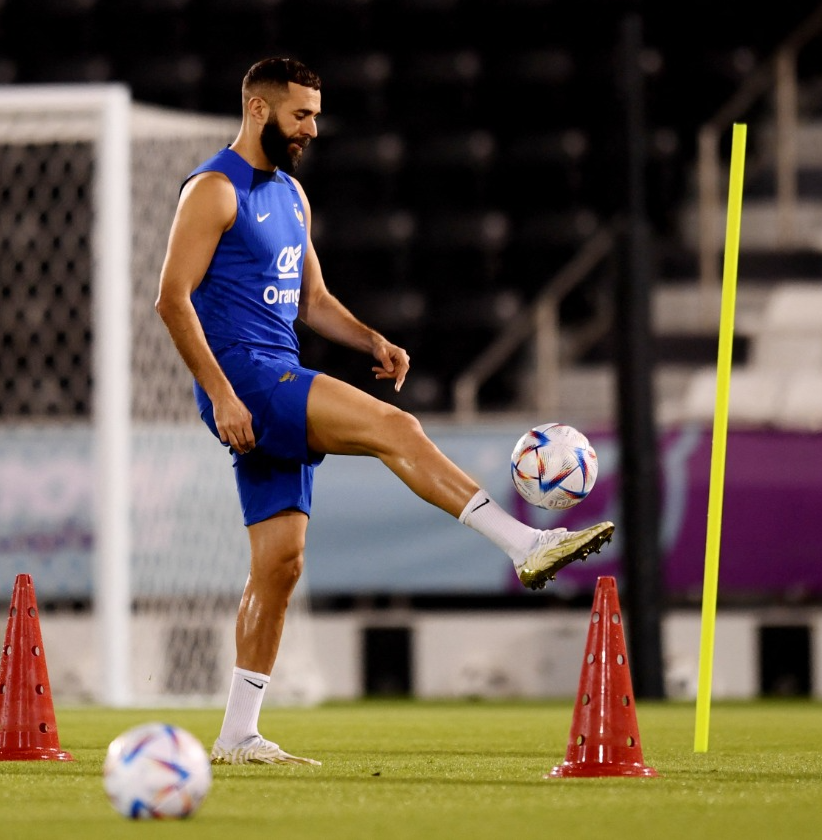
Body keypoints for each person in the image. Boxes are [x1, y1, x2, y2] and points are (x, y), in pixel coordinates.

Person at [154, 57, 616, 767]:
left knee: (280, 564)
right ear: (257, 110)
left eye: (314, 113)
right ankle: (526, 545)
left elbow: (312, 300)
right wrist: (220, 392)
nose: (312, 127)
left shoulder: (293, 198)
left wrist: (370, 338)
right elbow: (171, 298)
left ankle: (237, 734)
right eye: (300, 114)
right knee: (396, 429)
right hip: (248, 376)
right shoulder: (216, 190)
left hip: (271, 373)